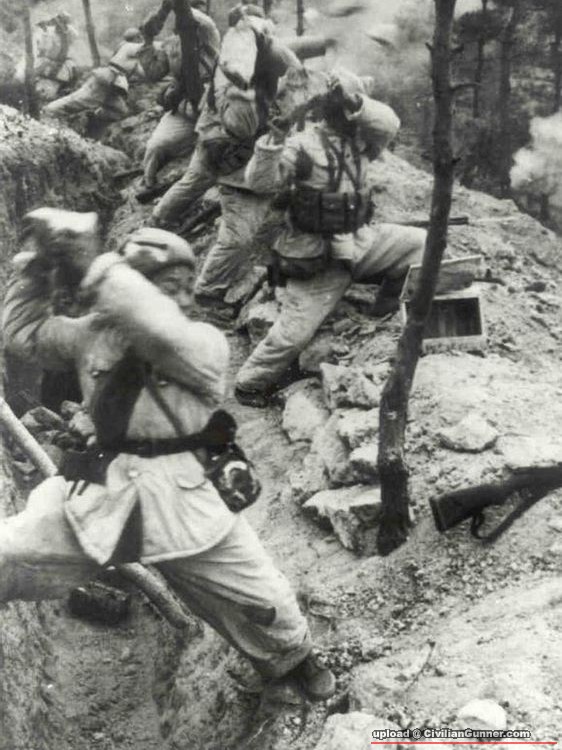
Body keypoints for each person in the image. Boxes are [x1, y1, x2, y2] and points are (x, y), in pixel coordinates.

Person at [0, 208, 336, 702]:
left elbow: (156, 331)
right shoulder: (93, 333)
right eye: (166, 286)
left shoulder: (201, 344)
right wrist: (37, 270)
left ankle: (294, 661)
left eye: (185, 285)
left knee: (263, 600)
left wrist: (97, 267)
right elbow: (23, 335)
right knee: (8, 553)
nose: (182, 298)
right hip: (103, 496)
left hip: (187, 498)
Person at [234, 73, 427, 406]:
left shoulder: (363, 139)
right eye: (339, 104)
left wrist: (354, 99)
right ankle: (250, 383)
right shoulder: (302, 144)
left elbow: (389, 124)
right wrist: (274, 139)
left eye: (350, 106)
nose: (344, 112)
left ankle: (382, 309)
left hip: (360, 242)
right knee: (294, 334)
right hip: (316, 256)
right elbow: (260, 183)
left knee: (418, 243)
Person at [152, 4, 303, 317]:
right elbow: (245, 123)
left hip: (212, 139)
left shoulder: (237, 60)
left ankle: (160, 220)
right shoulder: (240, 65)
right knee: (238, 235)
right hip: (232, 154)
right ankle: (208, 292)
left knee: (192, 182)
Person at [139, 0, 221, 189]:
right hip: (185, 108)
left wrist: (168, 8)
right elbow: (154, 72)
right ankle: (148, 184)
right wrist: (148, 40)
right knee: (155, 146)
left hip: (212, 106)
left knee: (215, 152)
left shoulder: (208, 34)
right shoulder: (170, 44)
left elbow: (196, 19)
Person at [43, 28, 145, 127]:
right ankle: (49, 110)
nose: (141, 39)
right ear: (136, 38)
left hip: (114, 85)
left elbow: (142, 73)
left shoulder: (132, 57)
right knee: (81, 99)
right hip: (108, 78)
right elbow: (145, 47)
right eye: (140, 37)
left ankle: (92, 118)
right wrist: (151, 42)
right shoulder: (129, 46)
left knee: (118, 110)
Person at [33, 11, 78, 102]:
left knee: (67, 75)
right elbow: (43, 48)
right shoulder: (49, 33)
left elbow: (72, 37)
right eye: (57, 23)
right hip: (48, 60)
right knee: (41, 75)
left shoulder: (70, 33)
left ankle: (62, 92)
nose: (59, 26)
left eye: (61, 23)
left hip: (62, 62)